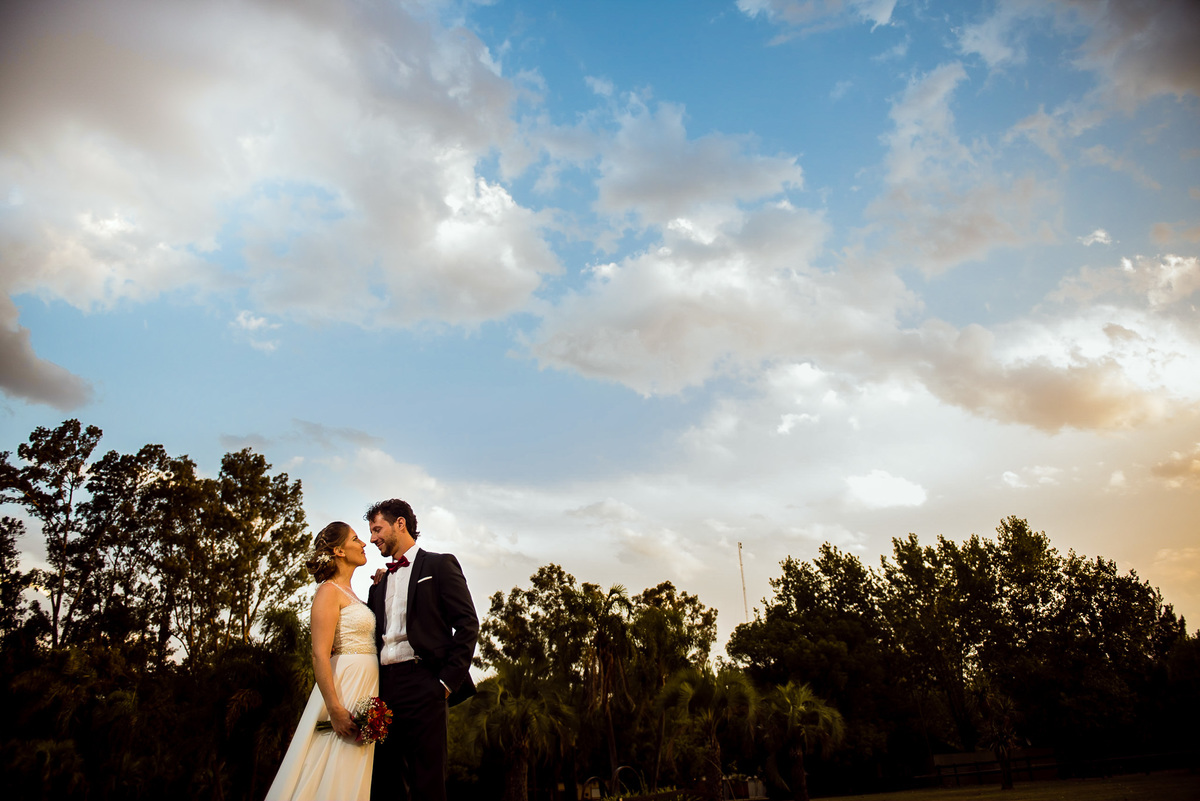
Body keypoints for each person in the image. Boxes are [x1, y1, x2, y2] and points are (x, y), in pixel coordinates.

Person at [366, 498, 478, 801]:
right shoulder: (379, 582)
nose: (373, 538)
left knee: (427, 783)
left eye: (377, 529)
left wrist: (445, 683)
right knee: (385, 782)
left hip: (425, 684)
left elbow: (467, 624)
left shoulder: (439, 565)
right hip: (385, 690)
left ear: (400, 523)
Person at [266, 522, 379, 801]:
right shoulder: (328, 592)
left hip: (365, 689)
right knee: (330, 762)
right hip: (344, 688)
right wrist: (334, 708)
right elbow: (319, 653)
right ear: (339, 550)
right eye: (356, 539)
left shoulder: (354, 595)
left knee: (351, 769)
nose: (364, 543)